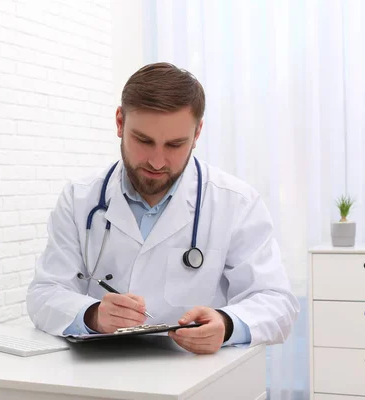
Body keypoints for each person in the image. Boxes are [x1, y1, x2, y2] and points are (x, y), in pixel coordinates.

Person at [26, 62, 300, 354]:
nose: (157, 161)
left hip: (196, 378)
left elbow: (277, 302)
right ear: (120, 122)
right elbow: (45, 293)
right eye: (144, 141)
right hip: (101, 378)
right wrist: (92, 315)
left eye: (175, 144)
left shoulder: (236, 202)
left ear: (197, 134)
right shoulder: (80, 198)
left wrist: (227, 323)